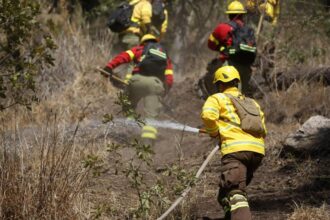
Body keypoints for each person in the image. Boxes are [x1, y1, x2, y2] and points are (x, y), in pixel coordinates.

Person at [201, 66, 266, 220]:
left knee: (236, 193)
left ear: (219, 84)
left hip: (235, 151)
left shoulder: (217, 98)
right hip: (257, 153)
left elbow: (208, 117)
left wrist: (214, 132)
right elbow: (263, 128)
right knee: (224, 193)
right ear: (237, 83)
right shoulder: (252, 103)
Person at [101, 34, 174, 143]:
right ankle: (147, 144)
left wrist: (109, 67)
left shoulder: (140, 49)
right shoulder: (164, 55)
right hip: (155, 85)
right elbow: (169, 78)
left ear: (143, 42)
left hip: (137, 81)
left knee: (127, 104)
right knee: (151, 118)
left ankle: (131, 125)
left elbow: (122, 57)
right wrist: (164, 91)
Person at [197, 0, 256, 99]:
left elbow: (210, 44)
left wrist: (221, 48)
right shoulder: (248, 30)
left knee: (220, 92)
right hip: (246, 68)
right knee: (242, 97)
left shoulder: (222, 28)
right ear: (242, 15)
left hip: (228, 65)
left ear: (229, 15)